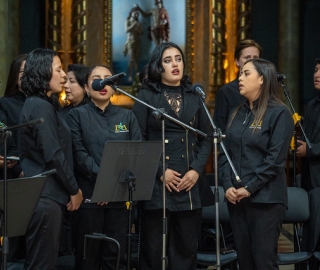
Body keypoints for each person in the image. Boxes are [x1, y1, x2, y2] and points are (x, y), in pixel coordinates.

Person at [132, 42, 213, 269]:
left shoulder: (194, 95)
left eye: (178, 59)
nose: (175, 64)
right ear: (158, 66)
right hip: (158, 183)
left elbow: (207, 137)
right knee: (153, 250)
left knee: (186, 249)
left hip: (189, 182)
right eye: (168, 61)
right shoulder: (146, 95)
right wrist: (160, 172)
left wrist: (196, 170)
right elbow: (138, 139)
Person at [219, 58, 294, 270]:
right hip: (237, 200)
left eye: (246, 74)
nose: (239, 78)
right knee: (245, 262)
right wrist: (228, 187)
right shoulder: (236, 113)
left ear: (262, 79)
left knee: (263, 262)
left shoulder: (279, 113)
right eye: (240, 74)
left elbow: (274, 161)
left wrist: (249, 188)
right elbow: (224, 153)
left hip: (266, 201)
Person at [66, 65, 142, 270]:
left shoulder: (127, 117)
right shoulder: (76, 116)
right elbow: (79, 154)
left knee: (116, 259)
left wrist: (112, 184)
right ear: (86, 87)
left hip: (119, 200)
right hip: (90, 199)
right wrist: (104, 180)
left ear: (114, 86)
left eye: (107, 78)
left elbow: (135, 153)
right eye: (96, 79)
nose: (102, 83)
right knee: (87, 259)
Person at [18, 48, 83, 270]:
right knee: (41, 264)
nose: (64, 75)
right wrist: (74, 189)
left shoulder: (44, 104)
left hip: (47, 195)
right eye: (58, 69)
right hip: (45, 196)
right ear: (42, 72)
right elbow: (53, 154)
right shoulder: (39, 105)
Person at [213, 39, 262, 132]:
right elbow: (219, 129)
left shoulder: (265, 89)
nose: (252, 61)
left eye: (255, 58)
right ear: (237, 61)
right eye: (247, 57)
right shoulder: (226, 92)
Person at [296, 58, 320, 190]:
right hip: (308, 177)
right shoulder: (311, 105)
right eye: (316, 70)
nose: (317, 75)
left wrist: (309, 150)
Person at [123, 7, 143, 82]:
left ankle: (136, 76)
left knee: (136, 60)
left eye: (137, 14)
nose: (136, 15)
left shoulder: (138, 23)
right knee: (131, 60)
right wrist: (134, 25)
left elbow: (142, 32)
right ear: (131, 13)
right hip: (130, 42)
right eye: (135, 13)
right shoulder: (128, 21)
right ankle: (130, 75)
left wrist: (138, 27)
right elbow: (126, 30)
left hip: (137, 42)